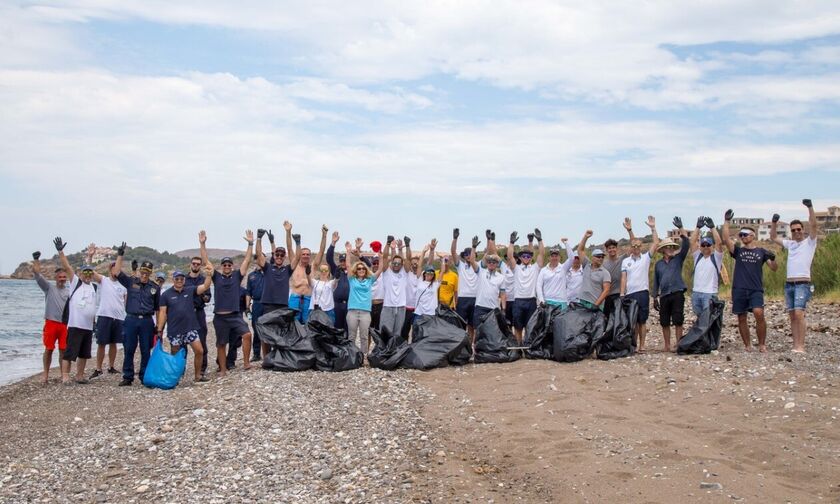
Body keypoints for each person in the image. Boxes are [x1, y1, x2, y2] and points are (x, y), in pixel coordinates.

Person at [722, 209, 779, 352]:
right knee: (741, 317)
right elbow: (726, 240)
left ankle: (762, 344)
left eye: (745, 234)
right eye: (741, 235)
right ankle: (747, 345)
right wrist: (727, 222)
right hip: (739, 288)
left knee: (759, 313)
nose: (743, 237)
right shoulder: (738, 251)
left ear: (753, 236)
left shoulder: (761, 251)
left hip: (755, 288)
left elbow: (774, 268)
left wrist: (773, 259)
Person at [199, 229, 255, 375]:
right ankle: (223, 369)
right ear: (221, 267)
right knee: (221, 344)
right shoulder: (216, 277)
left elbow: (247, 261)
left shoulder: (237, 276)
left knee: (247, 335)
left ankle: (246, 363)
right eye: (224, 265)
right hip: (220, 317)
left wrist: (250, 244)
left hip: (235, 315)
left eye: (229, 265)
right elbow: (205, 261)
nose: (227, 267)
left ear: (232, 266)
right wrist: (202, 244)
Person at [771, 199, 818, 353]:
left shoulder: (810, 242)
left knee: (799, 313)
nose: (796, 232)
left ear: (803, 230)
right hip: (789, 284)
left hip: (802, 283)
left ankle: (801, 346)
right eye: (793, 230)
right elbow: (773, 237)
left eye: (798, 229)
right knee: (792, 315)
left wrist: (810, 207)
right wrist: (774, 223)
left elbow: (814, 225)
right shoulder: (790, 244)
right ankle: (795, 345)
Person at [54, 237, 100, 385]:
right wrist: (61, 251)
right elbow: (67, 267)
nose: (87, 275)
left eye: (89, 273)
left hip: (88, 326)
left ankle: (80, 376)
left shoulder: (93, 286)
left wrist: (91, 256)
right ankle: (65, 375)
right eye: (84, 273)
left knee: (84, 354)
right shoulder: (75, 283)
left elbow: (89, 267)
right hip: (75, 325)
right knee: (69, 353)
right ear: (80, 274)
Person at [156, 265, 213, 382]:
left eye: (181, 279)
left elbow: (206, 286)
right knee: (175, 354)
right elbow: (162, 313)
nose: (179, 281)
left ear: (184, 280)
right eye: (177, 279)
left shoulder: (190, 289)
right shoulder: (165, 295)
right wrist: (159, 330)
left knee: (199, 351)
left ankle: (198, 376)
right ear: (173, 280)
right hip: (175, 330)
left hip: (190, 328)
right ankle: (175, 378)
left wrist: (208, 275)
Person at [114, 249, 160, 386]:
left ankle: (144, 376)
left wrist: (159, 326)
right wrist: (120, 255)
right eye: (143, 271)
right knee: (129, 348)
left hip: (147, 321)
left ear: (150, 273)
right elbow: (116, 272)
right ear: (140, 271)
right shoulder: (131, 282)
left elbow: (158, 308)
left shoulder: (155, 288)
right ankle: (128, 376)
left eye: (147, 272)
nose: (145, 274)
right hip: (131, 319)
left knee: (146, 350)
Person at [82, 244, 127, 379]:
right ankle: (98, 368)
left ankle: (111, 366)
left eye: (117, 268)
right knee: (101, 343)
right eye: (113, 268)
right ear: (110, 270)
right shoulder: (104, 280)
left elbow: (126, 302)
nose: (115, 270)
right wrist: (90, 257)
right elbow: (90, 271)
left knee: (114, 343)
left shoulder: (124, 285)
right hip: (104, 316)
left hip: (118, 318)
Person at [619, 216, 659, 352]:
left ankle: (642, 345)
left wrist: (653, 228)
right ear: (631, 248)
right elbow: (623, 278)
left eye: (638, 246)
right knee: (633, 321)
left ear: (641, 247)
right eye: (633, 246)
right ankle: (633, 345)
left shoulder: (646, 258)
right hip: (630, 293)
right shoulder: (626, 261)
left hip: (642, 292)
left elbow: (655, 243)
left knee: (642, 321)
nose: (636, 248)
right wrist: (622, 293)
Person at [31, 250, 70, 384]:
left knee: (63, 350)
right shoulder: (48, 288)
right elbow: (37, 274)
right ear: (56, 278)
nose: (62, 279)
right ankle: (45, 375)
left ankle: (62, 374)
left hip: (64, 324)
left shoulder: (68, 291)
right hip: (51, 323)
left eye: (64, 277)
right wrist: (36, 259)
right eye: (60, 277)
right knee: (48, 349)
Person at [651, 217, 689, 352]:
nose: (670, 248)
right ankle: (667, 345)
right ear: (663, 250)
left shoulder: (678, 259)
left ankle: (678, 344)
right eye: (668, 247)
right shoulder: (659, 264)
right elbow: (656, 280)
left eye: (672, 246)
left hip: (677, 292)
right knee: (664, 321)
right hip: (665, 295)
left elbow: (686, 245)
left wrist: (681, 228)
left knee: (678, 319)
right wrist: (654, 297)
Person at [505, 229, 546, 343]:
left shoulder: (535, 268)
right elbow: (509, 256)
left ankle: (528, 347)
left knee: (530, 326)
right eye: (524, 256)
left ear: (531, 258)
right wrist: (511, 243)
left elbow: (542, 253)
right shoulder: (516, 268)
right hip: (518, 300)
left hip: (531, 300)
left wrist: (540, 240)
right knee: (518, 327)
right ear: (521, 258)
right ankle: (518, 347)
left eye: (528, 256)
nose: (526, 258)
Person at [344, 242, 385, 354]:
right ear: (356, 271)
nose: (361, 270)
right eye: (359, 268)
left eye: (363, 268)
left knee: (364, 337)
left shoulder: (370, 280)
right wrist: (348, 252)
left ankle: (364, 356)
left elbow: (380, 269)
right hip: (352, 311)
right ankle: (352, 356)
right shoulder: (352, 279)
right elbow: (348, 265)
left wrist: (381, 257)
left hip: (365, 312)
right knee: (351, 336)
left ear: (365, 270)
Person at [288, 223, 328, 323]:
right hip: (295, 298)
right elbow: (289, 248)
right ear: (299, 255)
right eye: (303, 254)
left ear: (310, 256)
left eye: (308, 254)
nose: (305, 256)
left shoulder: (313, 267)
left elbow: (321, 251)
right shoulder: (294, 265)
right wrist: (288, 232)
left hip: (308, 299)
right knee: (293, 324)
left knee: (307, 324)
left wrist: (324, 235)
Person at [466, 235, 506, 328]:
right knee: (478, 331)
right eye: (489, 262)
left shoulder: (501, 277)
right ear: (486, 263)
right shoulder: (481, 272)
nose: (491, 263)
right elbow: (472, 261)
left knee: (492, 333)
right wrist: (474, 247)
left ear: (497, 264)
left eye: (494, 262)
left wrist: (503, 309)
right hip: (480, 306)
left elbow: (503, 294)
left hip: (494, 308)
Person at [602, 219, 637, 321]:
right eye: (609, 248)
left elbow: (633, 245)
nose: (611, 249)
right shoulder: (603, 264)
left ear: (616, 248)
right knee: (608, 322)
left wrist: (629, 230)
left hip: (621, 295)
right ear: (606, 250)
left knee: (622, 321)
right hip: (608, 297)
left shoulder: (623, 259)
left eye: (613, 247)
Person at [689, 216, 723, 317]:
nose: (705, 247)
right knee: (699, 319)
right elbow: (692, 242)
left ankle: (709, 334)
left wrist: (712, 228)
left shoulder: (716, 258)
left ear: (712, 246)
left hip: (709, 294)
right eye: (703, 245)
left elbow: (719, 243)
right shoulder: (697, 257)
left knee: (708, 319)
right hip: (696, 293)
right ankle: (702, 334)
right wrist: (697, 228)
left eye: (708, 245)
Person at [379, 236, 413, 337]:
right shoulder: (387, 272)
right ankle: (384, 351)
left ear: (402, 264)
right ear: (391, 263)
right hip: (388, 307)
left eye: (399, 263)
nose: (396, 264)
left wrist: (407, 245)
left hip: (401, 308)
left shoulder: (404, 272)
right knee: (385, 334)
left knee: (397, 334)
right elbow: (384, 257)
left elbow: (409, 258)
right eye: (394, 263)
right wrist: (388, 243)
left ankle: (394, 352)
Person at [184, 256, 212, 378]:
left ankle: (201, 370)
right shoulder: (183, 279)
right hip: (185, 313)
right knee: (181, 343)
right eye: (194, 263)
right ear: (190, 264)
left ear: (200, 266)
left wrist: (204, 297)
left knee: (202, 341)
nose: (195, 266)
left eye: (198, 264)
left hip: (199, 312)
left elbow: (208, 297)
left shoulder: (204, 280)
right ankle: (180, 369)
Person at [450, 228, 480, 342]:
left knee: (472, 326)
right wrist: (455, 239)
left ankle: (471, 348)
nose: (468, 256)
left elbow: (489, 253)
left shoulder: (479, 266)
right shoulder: (460, 266)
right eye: (466, 254)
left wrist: (488, 240)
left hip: (475, 299)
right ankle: (462, 347)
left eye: (470, 254)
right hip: (463, 299)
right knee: (462, 325)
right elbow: (453, 252)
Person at [576, 231, 611, 312]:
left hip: (595, 304)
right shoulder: (586, 265)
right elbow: (580, 250)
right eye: (598, 256)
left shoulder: (605, 272)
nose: (601, 258)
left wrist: (596, 304)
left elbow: (606, 290)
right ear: (593, 257)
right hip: (582, 301)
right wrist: (585, 237)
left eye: (602, 257)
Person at [411, 240, 441, 335]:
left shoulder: (435, 284)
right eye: (427, 272)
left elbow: (441, 270)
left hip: (431, 314)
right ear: (424, 273)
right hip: (419, 313)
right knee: (416, 334)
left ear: (433, 275)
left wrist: (433, 250)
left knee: (429, 335)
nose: (429, 274)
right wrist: (423, 252)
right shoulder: (420, 280)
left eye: (432, 273)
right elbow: (420, 266)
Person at [536, 239, 575, 309]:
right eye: (552, 256)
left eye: (556, 256)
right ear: (549, 258)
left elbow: (572, 258)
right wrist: (541, 300)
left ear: (559, 257)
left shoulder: (563, 268)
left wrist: (566, 243)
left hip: (561, 302)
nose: (554, 258)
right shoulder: (543, 270)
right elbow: (538, 286)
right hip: (547, 302)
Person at [326, 231, 350, 331]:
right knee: (337, 329)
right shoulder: (336, 270)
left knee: (348, 329)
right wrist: (333, 243)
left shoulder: (352, 273)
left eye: (345, 261)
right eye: (341, 261)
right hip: (337, 305)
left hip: (349, 305)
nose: (343, 263)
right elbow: (329, 258)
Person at [245, 256, 265, 361]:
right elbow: (248, 292)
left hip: (268, 303)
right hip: (256, 303)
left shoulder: (269, 272)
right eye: (257, 258)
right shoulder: (251, 276)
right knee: (256, 328)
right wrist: (247, 307)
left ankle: (270, 353)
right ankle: (257, 354)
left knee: (269, 327)